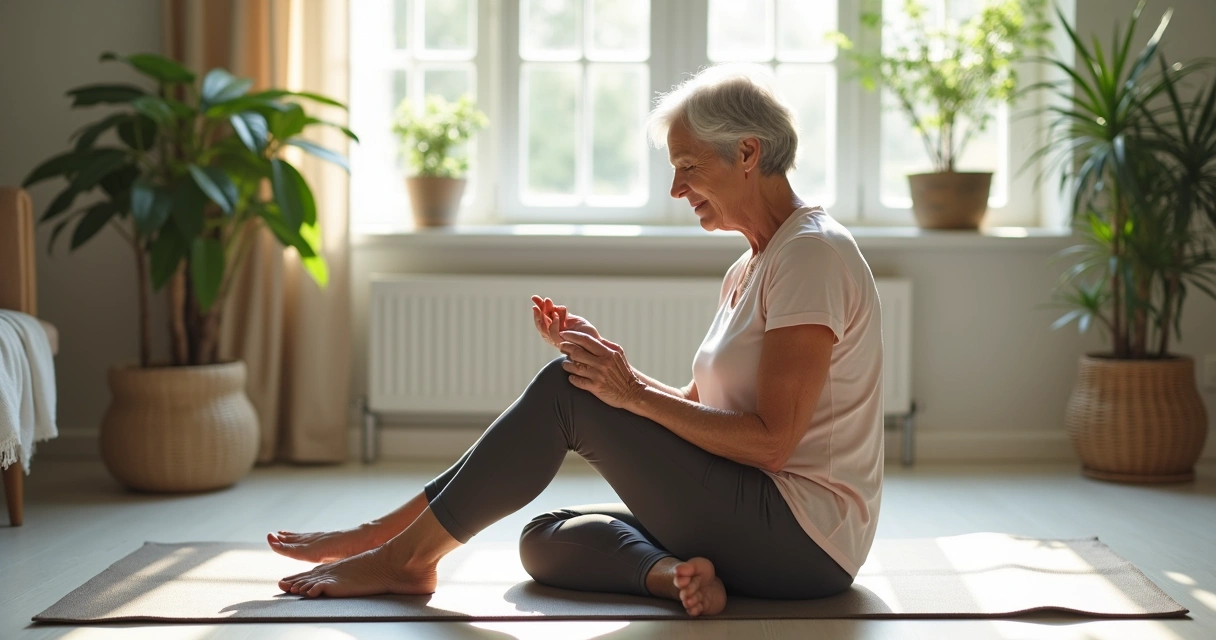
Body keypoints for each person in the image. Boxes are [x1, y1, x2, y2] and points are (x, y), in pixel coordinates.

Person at [269, 63, 884, 617]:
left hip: (803, 541)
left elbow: (772, 443)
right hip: (752, 516)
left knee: (566, 395)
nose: (676, 189)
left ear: (748, 152)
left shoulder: (811, 255)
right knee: (546, 536)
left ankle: (397, 551)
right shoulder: (750, 266)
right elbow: (700, 411)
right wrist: (609, 367)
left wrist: (620, 391)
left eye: (688, 167)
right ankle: (674, 578)